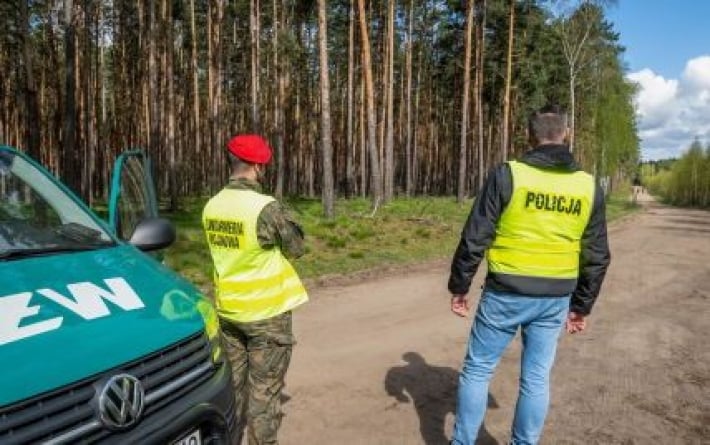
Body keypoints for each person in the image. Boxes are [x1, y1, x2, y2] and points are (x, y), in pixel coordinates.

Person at [447, 105, 611, 444]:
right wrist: (582, 306)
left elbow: (475, 235)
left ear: (529, 135)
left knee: (478, 370)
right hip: (555, 298)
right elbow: (597, 255)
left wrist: (460, 286)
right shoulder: (587, 186)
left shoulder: (509, 174)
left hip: (505, 292)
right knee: (536, 378)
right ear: (565, 134)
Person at [202, 134, 309, 445]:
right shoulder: (265, 207)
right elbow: (296, 247)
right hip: (267, 316)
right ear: (259, 167)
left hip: (229, 312)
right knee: (264, 394)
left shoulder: (212, 205)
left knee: (233, 389)